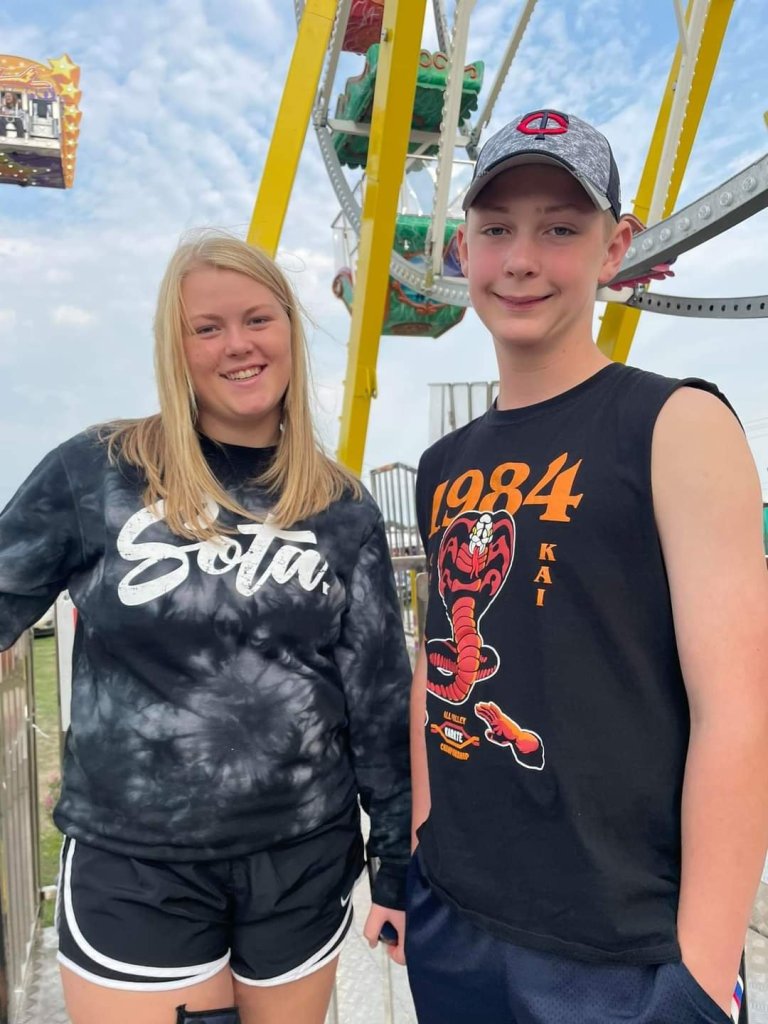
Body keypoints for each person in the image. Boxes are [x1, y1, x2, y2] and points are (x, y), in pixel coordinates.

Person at [406, 109, 768, 1024]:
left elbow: (740, 710)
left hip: (623, 950)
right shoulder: (443, 466)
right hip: (458, 918)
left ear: (615, 248)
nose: (522, 260)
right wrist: (419, 848)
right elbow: (431, 671)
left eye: (561, 230)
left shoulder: (678, 425)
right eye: (498, 229)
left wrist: (700, 975)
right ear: (462, 250)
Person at [0, 232, 411, 1024]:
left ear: (289, 329)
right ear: (175, 348)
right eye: (207, 328)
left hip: (302, 860)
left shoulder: (341, 506)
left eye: (257, 319)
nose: (238, 345)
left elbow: (380, 702)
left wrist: (393, 862)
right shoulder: (100, 470)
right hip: (137, 864)